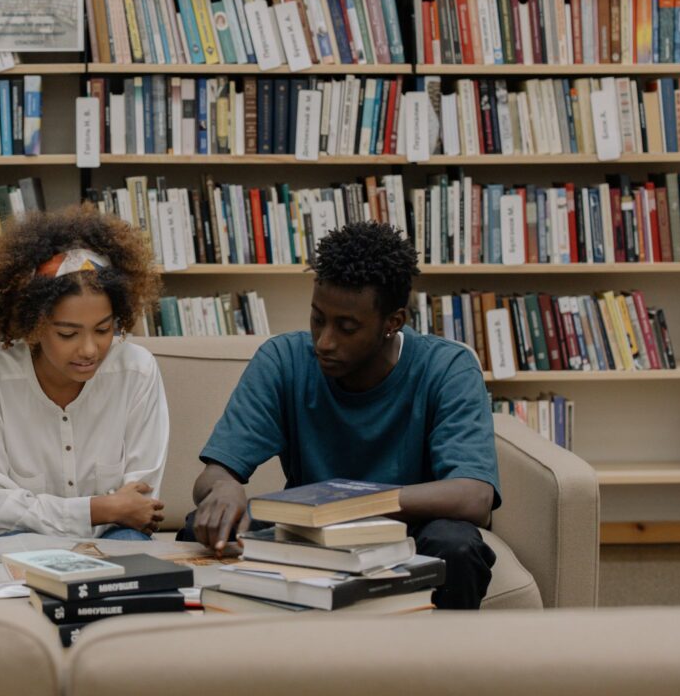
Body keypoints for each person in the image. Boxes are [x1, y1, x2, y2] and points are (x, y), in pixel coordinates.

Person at [182, 221, 500, 609]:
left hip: (409, 533)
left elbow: (474, 497)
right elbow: (213, 475)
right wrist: (224, 487)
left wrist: (348, 503)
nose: (325, 342)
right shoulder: (283, 360)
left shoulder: (447, 367)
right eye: (318, 319)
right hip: (309, 533)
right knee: (201, 526)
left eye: (347, 327)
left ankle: (443, 669)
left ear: (393, 322)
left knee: (457, 544)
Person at [0, 206, 168, 540]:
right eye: (68, 334)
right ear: (34, 326)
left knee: (131, 546)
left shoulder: (137, 371)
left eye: (103, 330)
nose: (89, 349)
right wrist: (99, 509)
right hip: (23, 540)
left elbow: (139, 506)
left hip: (116, 536)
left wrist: (109, 512)